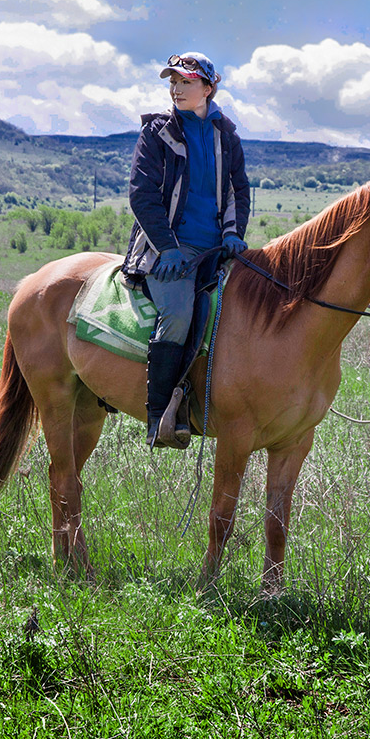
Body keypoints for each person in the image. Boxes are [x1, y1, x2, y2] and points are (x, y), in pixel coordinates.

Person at [123, 52, 250, 448]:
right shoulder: (157, 132)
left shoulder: (225, 134)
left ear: (208, 88)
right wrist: (167, 248)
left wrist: (233, 233)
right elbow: (142, 196)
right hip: (167, 251)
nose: (177, 89)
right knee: (177, 314)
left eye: (186, 82)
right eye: (172, 82)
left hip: (216, 249)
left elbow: (237, 190)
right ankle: (158, 415)